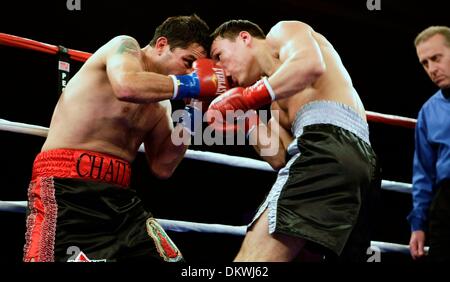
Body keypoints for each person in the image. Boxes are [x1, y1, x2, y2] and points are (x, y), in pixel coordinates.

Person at [23, 14, 229, 262]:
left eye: (194, 70)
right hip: (67, 187)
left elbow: (163, 166)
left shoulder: (161, 103)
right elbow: (126, 86)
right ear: (162, 44)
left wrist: (195, 110)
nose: (189, 72)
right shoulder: (124, 47)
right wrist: (192, 83)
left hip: (121, 200)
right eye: (188, 62)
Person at [206, 20, 380, 262]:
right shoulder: (276, 103)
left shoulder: (283, 32)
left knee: (252, 260)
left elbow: (310, 65)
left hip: (329, 148)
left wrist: (246, 99)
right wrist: (246, 117)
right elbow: (280, 156)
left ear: (245, 38)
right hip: (356, 162)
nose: (222, 71)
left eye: (219, 56)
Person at [408, 26, 450, 262]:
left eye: (436, 58)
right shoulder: (429, 111)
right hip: (446, 204)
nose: (432, 69)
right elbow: (423, 172)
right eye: (425, 63)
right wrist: (418, 225)